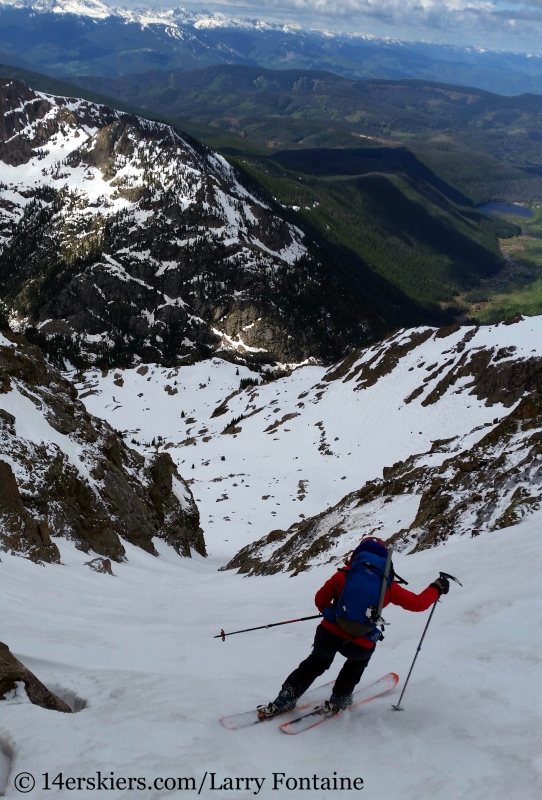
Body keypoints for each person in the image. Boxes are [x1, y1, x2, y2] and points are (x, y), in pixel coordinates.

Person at [258, 536, 449, 718]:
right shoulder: (387, 585)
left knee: (315, 663)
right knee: (355, 664)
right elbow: (418, 604)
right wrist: (436, 587)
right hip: (360, 643)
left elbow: (320, 600)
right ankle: (339, 699)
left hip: (328, 635)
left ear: (358, 554)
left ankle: (285, 699)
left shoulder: (344, 575)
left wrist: (328, 612)